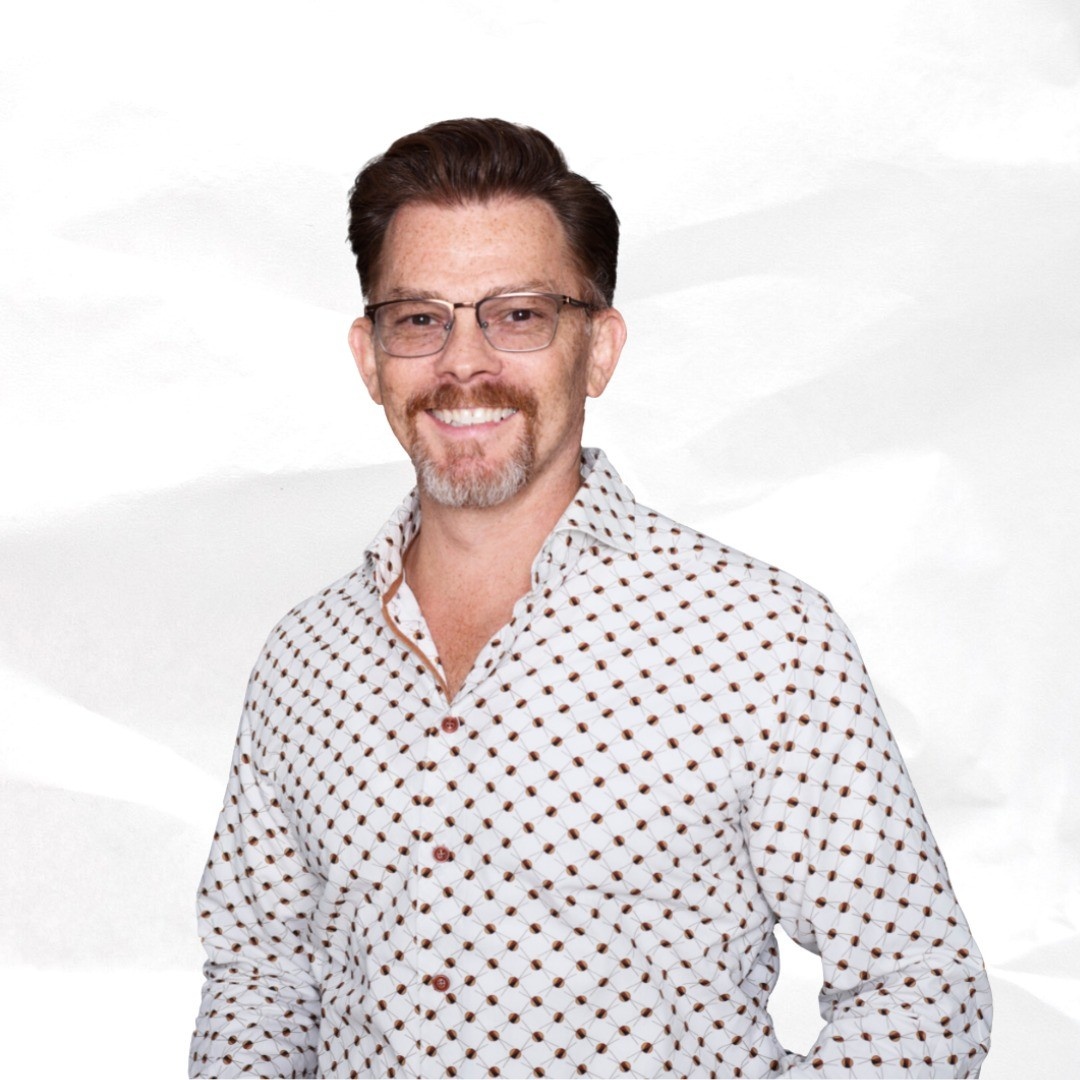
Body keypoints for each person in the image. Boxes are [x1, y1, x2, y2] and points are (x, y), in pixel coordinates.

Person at [190, 118, 992, 1079]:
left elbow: (919, 987)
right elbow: (261, 981)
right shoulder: (305, 658)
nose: (464, 362)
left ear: (599, 349)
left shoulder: (758, 638)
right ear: (370, 356)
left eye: (519, 314)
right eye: (420, 319)